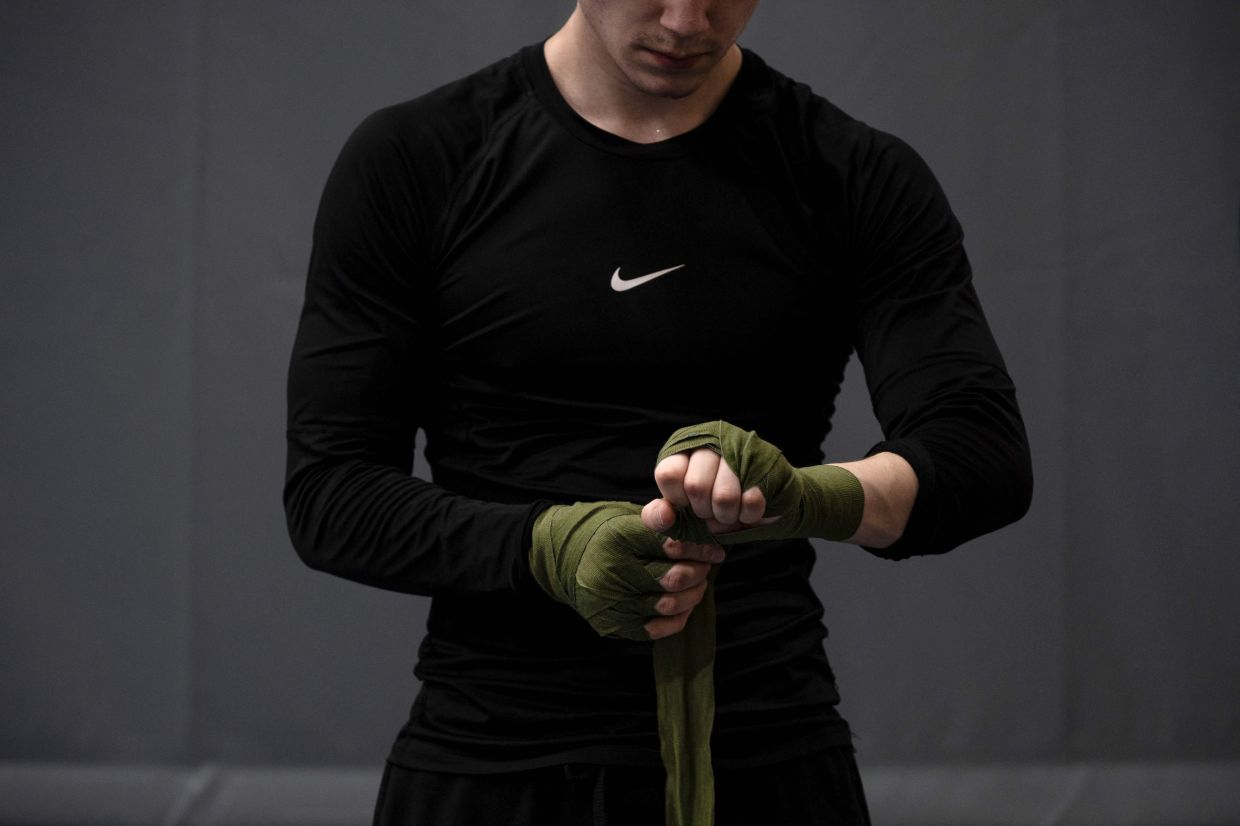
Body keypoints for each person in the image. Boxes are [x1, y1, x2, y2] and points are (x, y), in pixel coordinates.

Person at [283, 1, 1033, 824]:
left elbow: (982, 454)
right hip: (492, 761)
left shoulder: (848, 173)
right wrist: (546, 546)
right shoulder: (419, 157)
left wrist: (801, 496)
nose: (687, 20)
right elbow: (332, 495)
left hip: (766, 755)